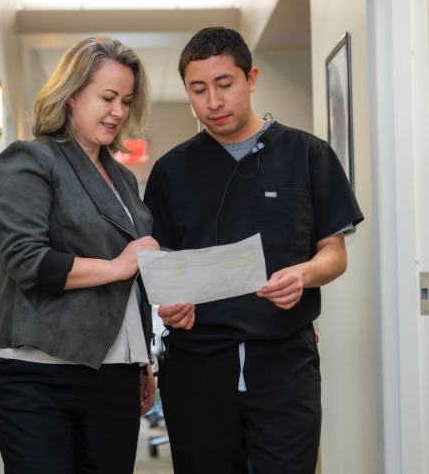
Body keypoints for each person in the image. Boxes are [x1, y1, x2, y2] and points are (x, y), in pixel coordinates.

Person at [143, 27, 364, 474]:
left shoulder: (307, 154)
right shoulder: (171, 171)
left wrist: (303, 275)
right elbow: (157, 265)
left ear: (251, 78)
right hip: (198, 365)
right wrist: (168, 305)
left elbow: (334, 253)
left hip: (283, 364)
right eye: (198, 89)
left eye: (224, 85)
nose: (213, 101)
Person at [0, 35, 160, 474]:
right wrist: (117, 265)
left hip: (115, 375)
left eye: (126, 99)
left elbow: (135, 278)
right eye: (107, 97)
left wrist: (141, 360)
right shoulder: (29, 161)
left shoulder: (123, 180)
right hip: (36, 373)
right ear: (71, 96)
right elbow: (27, 260)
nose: (118, 111)